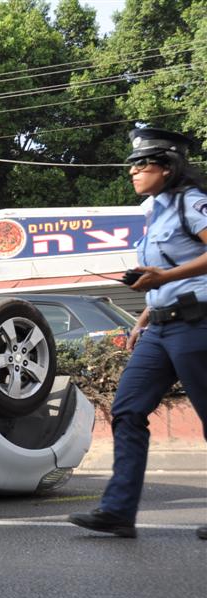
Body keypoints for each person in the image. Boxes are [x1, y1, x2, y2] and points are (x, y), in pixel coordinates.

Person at [68, 128, 207, 539]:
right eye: (132, 163)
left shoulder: (192, 203)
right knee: (127, 410)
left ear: (167, 168)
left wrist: (166, 275)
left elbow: (178, 269)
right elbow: (162, 275)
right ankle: (118, 511)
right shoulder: (155, 211)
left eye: (142, 163)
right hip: (162, 328)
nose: (133, 170)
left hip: (197, 324)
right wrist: (147, 311)